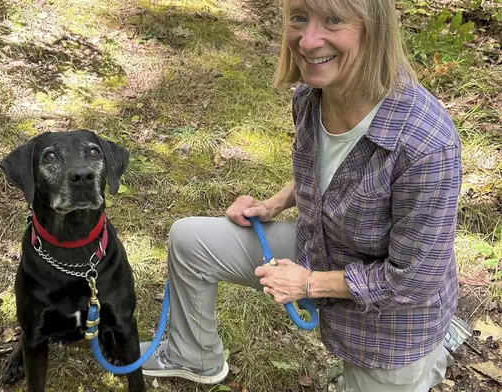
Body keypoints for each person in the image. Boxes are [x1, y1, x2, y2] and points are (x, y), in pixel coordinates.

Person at [140, 0, 466, 390]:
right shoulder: (311, 97)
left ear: (373, 28)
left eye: (332, 20)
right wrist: (273, 204)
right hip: (322, 247)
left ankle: (429, 359)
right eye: (299, 18)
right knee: (190, 241)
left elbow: (414, 281)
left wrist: (309, 284)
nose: (308, 40)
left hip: (391, 324)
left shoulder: (426, 143)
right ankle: (192, 355)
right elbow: (332, 174)